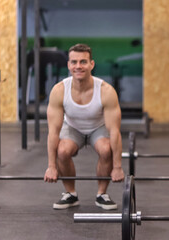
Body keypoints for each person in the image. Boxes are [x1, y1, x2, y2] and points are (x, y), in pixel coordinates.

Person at [44, 43, 125, 210]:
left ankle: (102, 194)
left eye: (83, 62)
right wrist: (51, 166)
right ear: (68, 65)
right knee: (62, 151)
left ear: (91, 64)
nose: (78, 66)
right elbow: (53, 132)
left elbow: (115, 131)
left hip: (98, 127)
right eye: (74, 62)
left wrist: (117, 167)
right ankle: (70, 194)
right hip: (72, 127)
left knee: (105, 149)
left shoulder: (106, 91)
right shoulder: (59, 90)